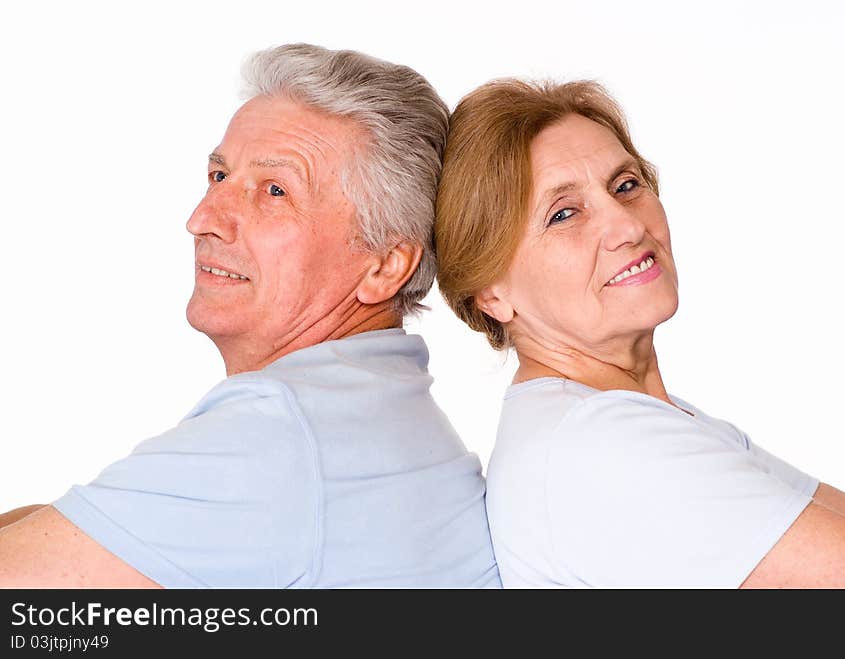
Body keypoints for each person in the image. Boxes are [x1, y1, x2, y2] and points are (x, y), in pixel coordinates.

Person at [0, 44, 500, 589]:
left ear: (385, 266)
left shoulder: (277, 438)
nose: (203, 219)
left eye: (275, 191)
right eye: (219, 176)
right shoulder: (378, 421)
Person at [434, 78, 845, 588]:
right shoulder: (601, 444)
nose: (627, 226)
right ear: (491, 294)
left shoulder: (628, 418)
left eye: (626, 185)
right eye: (563, 214)